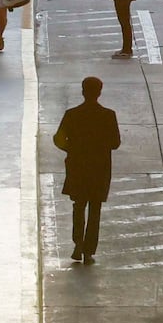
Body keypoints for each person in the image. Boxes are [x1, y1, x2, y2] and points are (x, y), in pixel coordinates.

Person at [53, 76, 122, 265]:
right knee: (95, 208)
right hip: (99, 168)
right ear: (99, 93)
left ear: (83, 91)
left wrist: (72, 149)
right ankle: (89, 251)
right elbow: (115, 143)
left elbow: (58, 138)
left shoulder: (71, 114)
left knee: (78, 205)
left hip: (77, 166)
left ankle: (78, 242)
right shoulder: (108, 115)